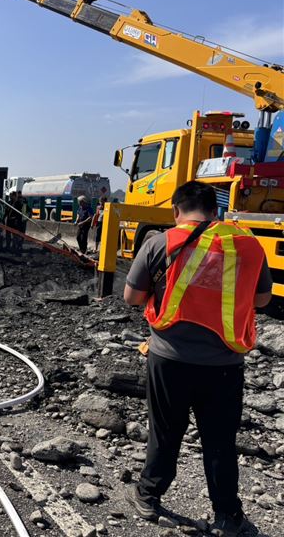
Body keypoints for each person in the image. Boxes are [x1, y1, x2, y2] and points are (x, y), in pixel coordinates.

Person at [123, 181, 272, 537]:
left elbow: (132, 296)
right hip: (225, 365)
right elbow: (262, 299)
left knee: (165, 432)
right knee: (220, 441)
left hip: (168, 360)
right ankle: (228, 516)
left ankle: (148, 496)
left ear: (176, 210)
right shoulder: (248, 245)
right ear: (215, 211)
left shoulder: (160, 243)